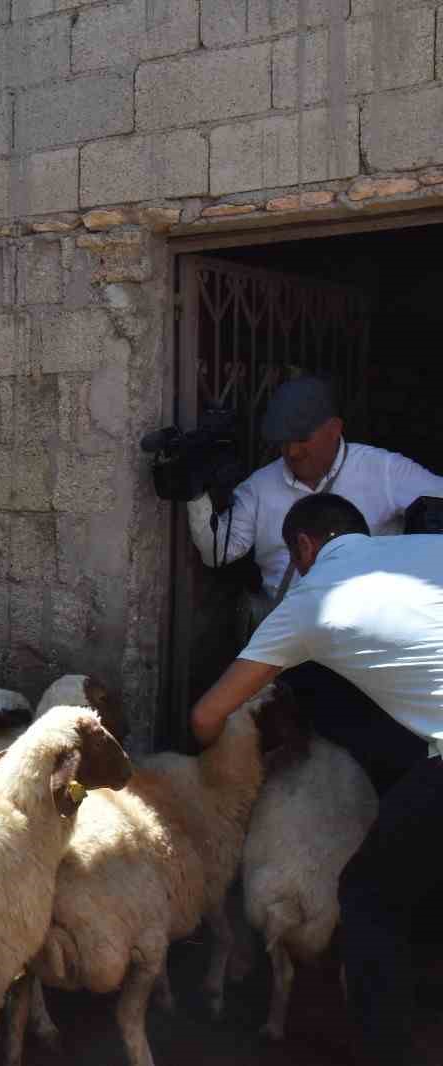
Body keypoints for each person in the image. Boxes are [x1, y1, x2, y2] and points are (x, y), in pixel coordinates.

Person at [190, 492, 443, 1066]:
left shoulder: (310, 598)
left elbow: (207, 716)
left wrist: (221, 772)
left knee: (368, 897)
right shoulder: (427, 549)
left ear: (303, 546)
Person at [187, 376, 443, 790]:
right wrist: (194, 494)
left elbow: (205, 717)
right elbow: (220, 551)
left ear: (335, 428)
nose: (292, 451)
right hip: (296, 649)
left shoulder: (385, 471)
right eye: (283, 441)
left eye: (302, 438)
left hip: (373, 650)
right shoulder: (261, 487)